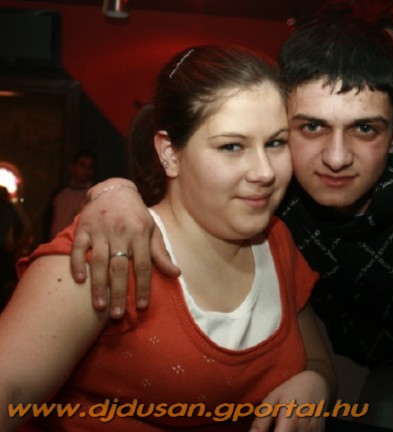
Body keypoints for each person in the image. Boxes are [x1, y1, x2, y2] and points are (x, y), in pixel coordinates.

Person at [71, 15, 393, 431]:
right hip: (392, 370)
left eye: (364, 129)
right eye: (312, 127)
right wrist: (115, 190)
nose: (336, 158)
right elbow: (180, 160)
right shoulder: (275, 190)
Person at [0, 44, 337, 432]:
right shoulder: (109, 251)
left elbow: (317, 362)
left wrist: (315, 383)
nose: (264, 172)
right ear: (170, 154)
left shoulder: (277, 241)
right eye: (232, 146)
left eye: (275, 143)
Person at [46, 149, 96, 240]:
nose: (86, 170)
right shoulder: (59, 194)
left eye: (90, 167)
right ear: (72, 167)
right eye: (82, 165)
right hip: (55, 243)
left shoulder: (94, 195)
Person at [0, 186, 23, 311]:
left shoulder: (9, 209)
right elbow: (19, 226)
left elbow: (19, 226)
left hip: (3, 249)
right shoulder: (9, 209)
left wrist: (15, 243)